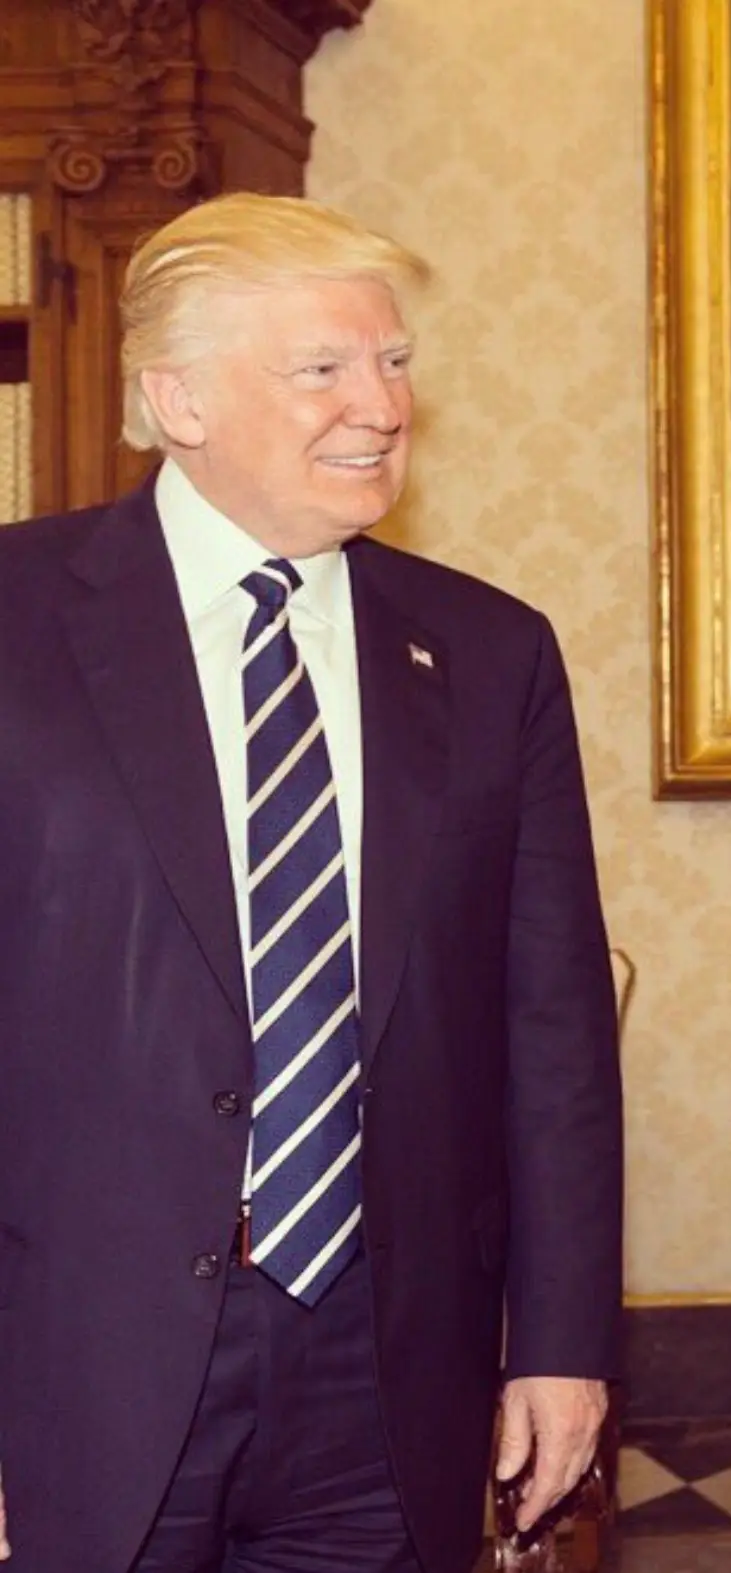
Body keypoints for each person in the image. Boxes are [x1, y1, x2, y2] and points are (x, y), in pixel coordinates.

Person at [0, 193, 623, 1573]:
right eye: (323, 368)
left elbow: (554, 1033)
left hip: (384, 1372)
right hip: (72, 1361)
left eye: (393, 362)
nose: (381, 407)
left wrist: (562, 1343)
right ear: (179, 399)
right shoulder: (15, 621)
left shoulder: (490, 652)